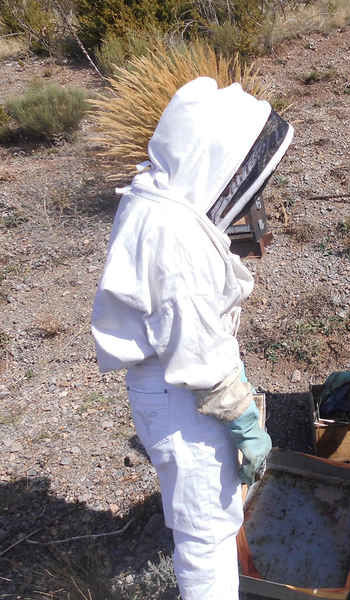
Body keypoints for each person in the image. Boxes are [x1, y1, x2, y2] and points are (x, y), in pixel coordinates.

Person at [91, 77, 294, 598]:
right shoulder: (173, 234)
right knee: (207, 535)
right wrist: (246, 421)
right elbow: (198, 352)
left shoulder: (156, 197)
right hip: (183, 392)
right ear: (212, 157)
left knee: (212, 522)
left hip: (172, 382)